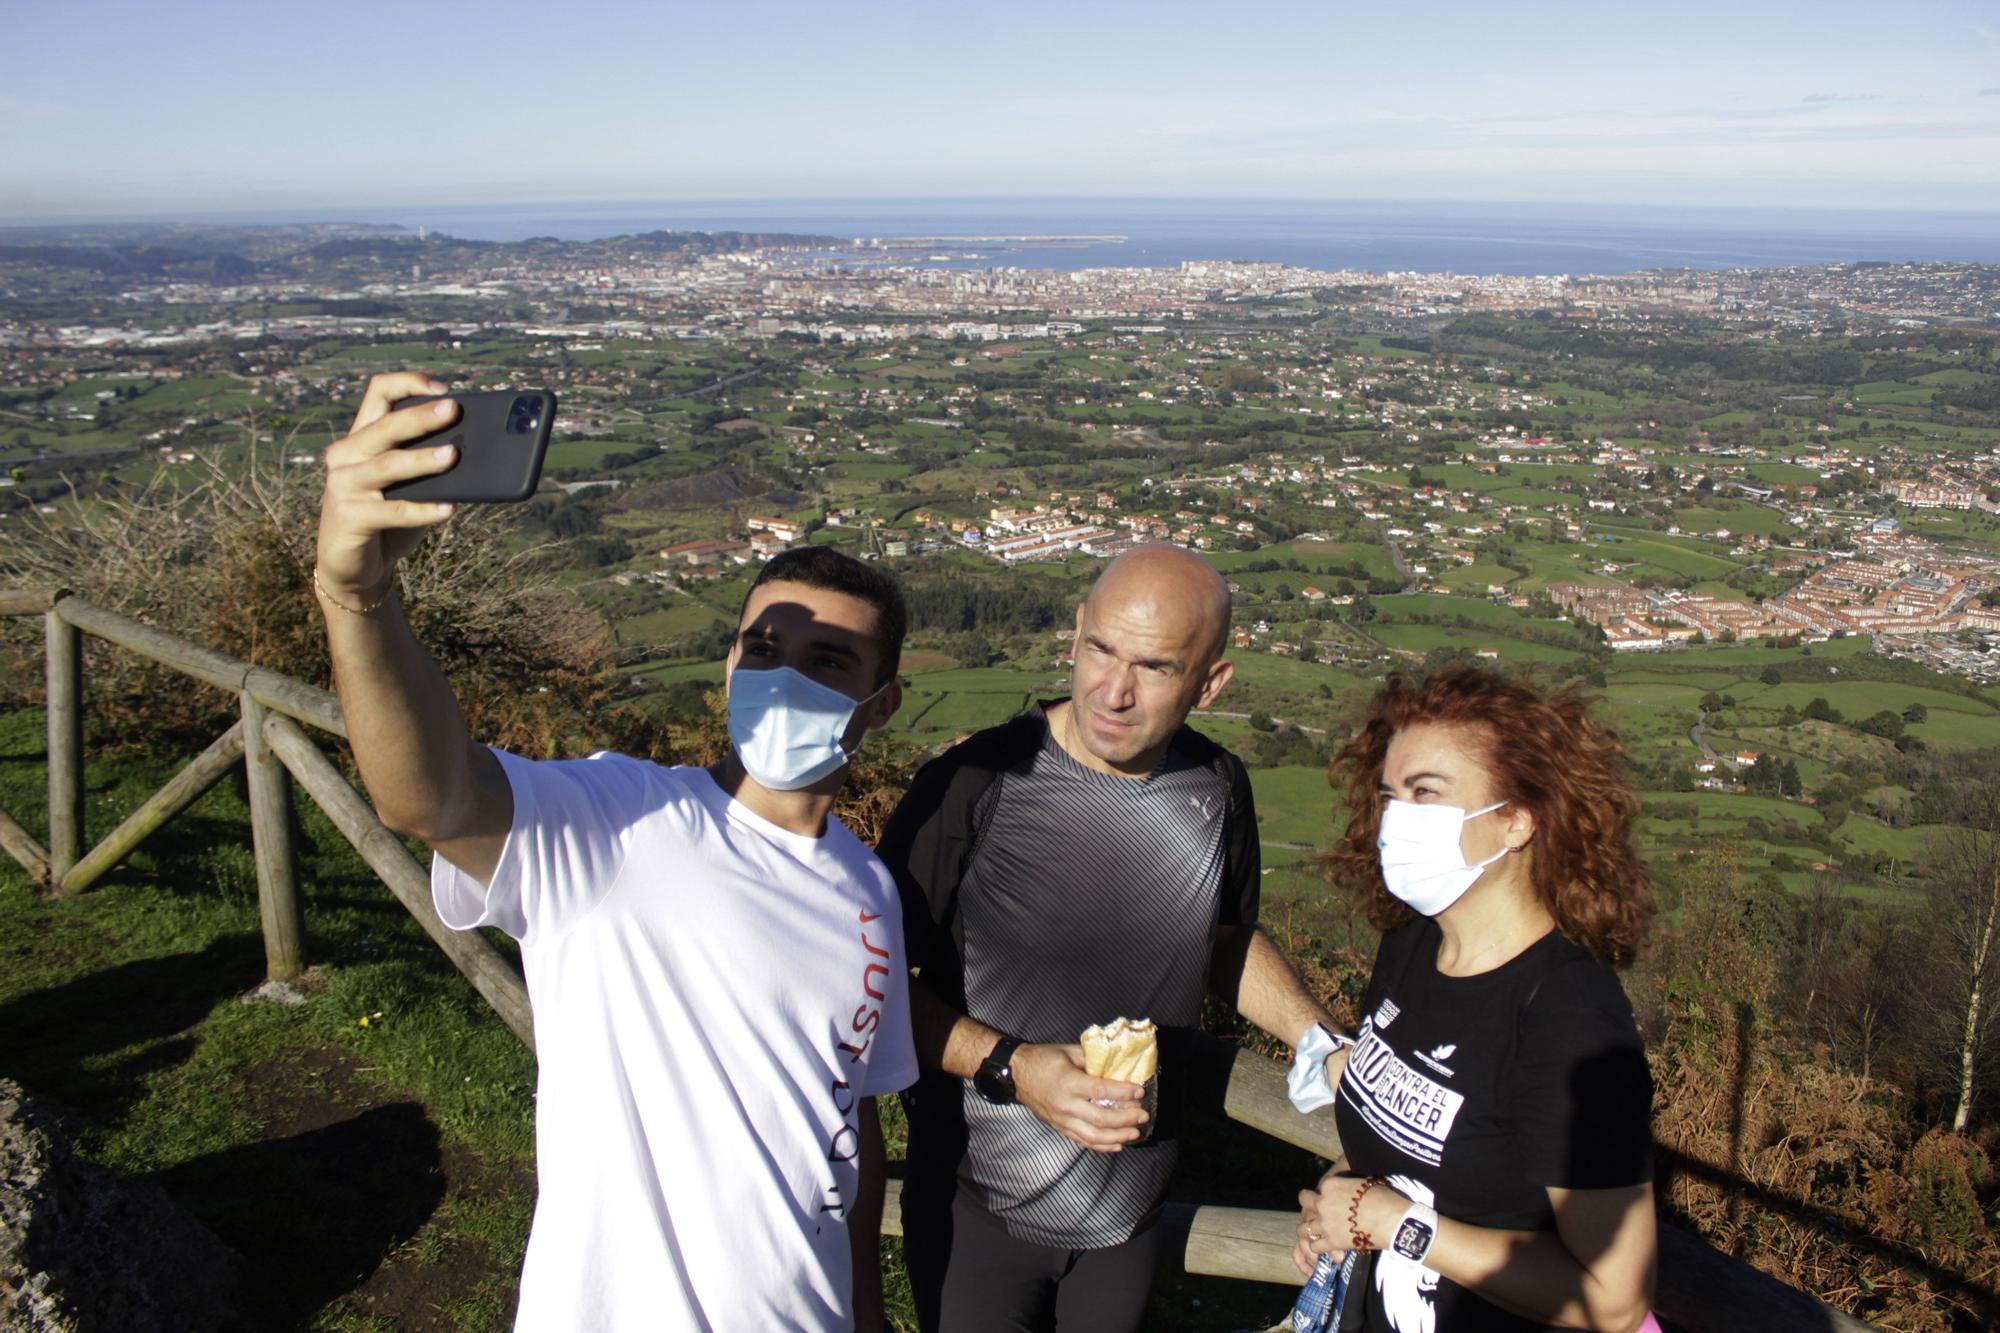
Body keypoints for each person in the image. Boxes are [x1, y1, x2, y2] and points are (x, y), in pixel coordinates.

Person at [313, 373, 918, 1332]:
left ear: (878, 705)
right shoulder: (621, 821)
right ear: (726, 665)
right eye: (761, 649)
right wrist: (357, 595)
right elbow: (428, 795)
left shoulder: (868, 885)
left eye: (827, 661)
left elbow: (853, 1116)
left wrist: (872, 1317)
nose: (782, 676)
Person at [877, 544, 1347, 1333]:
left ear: (1212, 681)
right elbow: (875, 982)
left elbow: (1224, 941)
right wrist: (1014, 1066)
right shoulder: (974, 783)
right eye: (1100, 650)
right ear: (1076, 634)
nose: (1113, 691)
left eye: (1156, 667)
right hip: (975, 1198)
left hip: (1128, 1209)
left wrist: (1322, 1039)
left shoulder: (1217, 785)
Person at [1294, 664, 1657, 1333]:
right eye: (1390, 793)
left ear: (1517, 819)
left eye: (1426, 792)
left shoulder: (1570, 1020)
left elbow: (1614, 1298)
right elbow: (1427, 1147)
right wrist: (1340, 1203)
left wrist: (1396, 1224)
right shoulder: (1411, 943)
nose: (1396, 818)